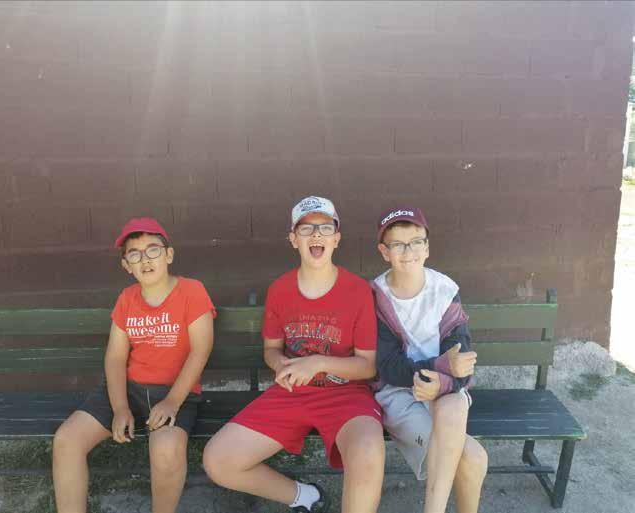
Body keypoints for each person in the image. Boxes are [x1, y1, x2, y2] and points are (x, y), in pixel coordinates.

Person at [203, 196, 385, 513]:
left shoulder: (358, 291)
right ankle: (305, 496)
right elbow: (271, 350)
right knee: (218, 461)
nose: (316, 235)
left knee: (368, 453)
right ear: (293, 239)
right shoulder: (280, 290)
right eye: (306, 228)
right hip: (293, 392)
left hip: (346, 394)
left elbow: (367, 366)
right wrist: (281, 365)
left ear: (336, 238)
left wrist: (318, 363)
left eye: (325, 227)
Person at [52, 217, 216, 513]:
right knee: (67, 439)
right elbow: (115, 357)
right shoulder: (127, 299)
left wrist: (172, 402)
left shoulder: (192, 291)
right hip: (128, 389)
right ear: (126, 265)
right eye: (135, 254)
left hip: (175, 392)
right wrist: (120, 408)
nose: (145, 259)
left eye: (153, 250)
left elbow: (200, 350)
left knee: (166, 449)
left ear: (169, 255)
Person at [372, 206, 488, 513]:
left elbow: (460, 358)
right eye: (398, 244)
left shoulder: (444, 291)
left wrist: (444, 381)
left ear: (427, 247)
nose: (408, 251)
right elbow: (388, 366)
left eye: (416, 242)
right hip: (399, 393)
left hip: (445, 390)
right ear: (384, 252)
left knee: (453, 406)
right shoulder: (377, 296)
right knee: (473, 457)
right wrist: (438, 368)